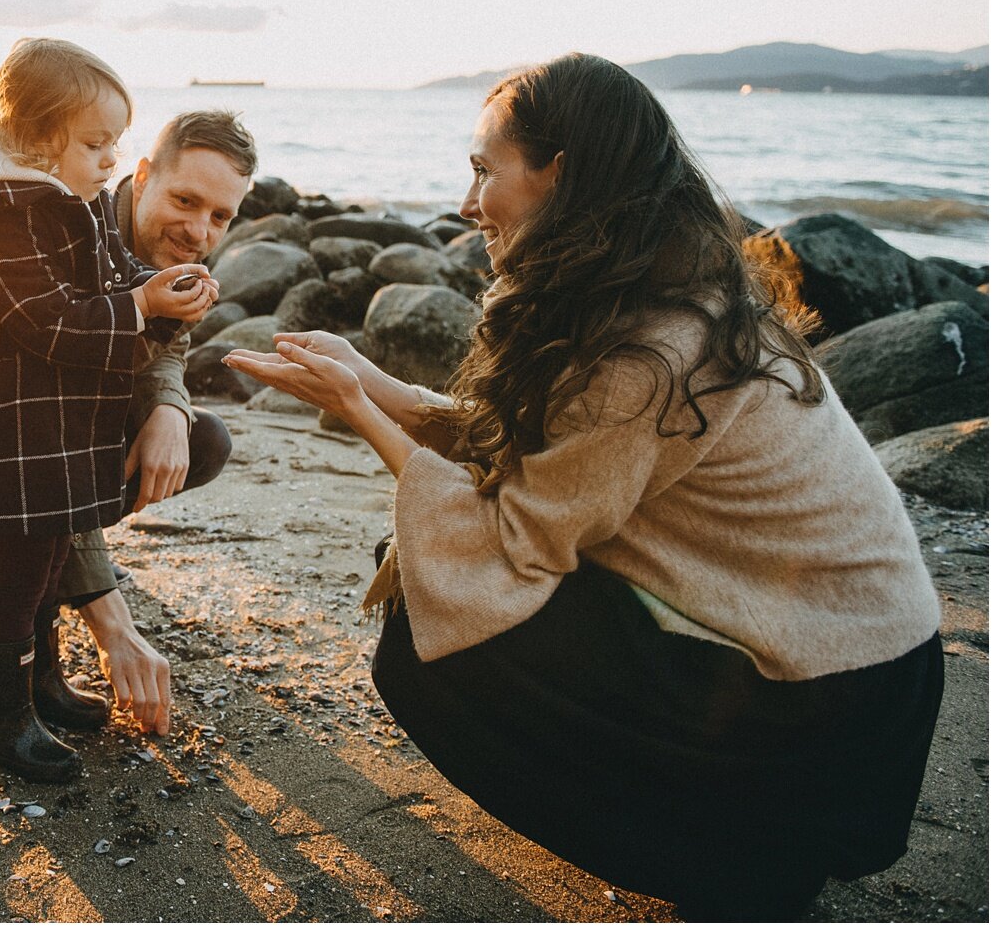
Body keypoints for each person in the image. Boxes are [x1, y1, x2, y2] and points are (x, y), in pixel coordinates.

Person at [225, 53, 943, 920]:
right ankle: (744, 835)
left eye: (485, 171)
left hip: (826, 700)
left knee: (433, 625)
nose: (464, 205)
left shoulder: (648, 348)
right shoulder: (665, 293)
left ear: (560, 174)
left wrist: (359, 412)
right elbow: (566, 460)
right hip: (854, 666)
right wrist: (383, 388)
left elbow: (515, 539)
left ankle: (736, 859)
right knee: (437, 576)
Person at [0, 109, 257, 736]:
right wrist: (114, 622)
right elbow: (41, 429)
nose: (198, 230)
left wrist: (165, 408)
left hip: (34, 424)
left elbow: (165, 352)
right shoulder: (65, 216)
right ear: (143, 173)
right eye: (185, 200)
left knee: (200, 439)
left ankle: (42, 580)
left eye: (220, 216)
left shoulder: (175, 261)